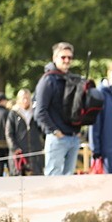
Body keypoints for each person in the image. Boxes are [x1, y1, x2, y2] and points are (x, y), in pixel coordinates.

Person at [33, 42, 82, 176]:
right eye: (63, 57)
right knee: (53, 178)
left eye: (69, 57)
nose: (67, 60)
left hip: (73, 137)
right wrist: (54, 131)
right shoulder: (47, 80)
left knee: (69, 179)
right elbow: (40, 111)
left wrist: (78, 130)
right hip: (57, 138)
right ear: (54, 58)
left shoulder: (73, 79)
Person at [5, 89, 44, 176]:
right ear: (19, 99)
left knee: (36, 177)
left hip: (34, 153)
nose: (25, 101)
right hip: (19, 153)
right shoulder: (13, 114)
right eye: (23, 98)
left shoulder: (36, 113)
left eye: (27, 98)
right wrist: (14, 148)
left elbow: (42, 130)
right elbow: (9, 133)